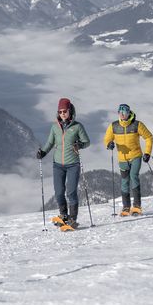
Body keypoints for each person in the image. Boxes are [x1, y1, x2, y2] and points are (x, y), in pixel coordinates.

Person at [36, 97, 91, 229]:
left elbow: (87, 141)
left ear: (70, 111)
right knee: (59, 192)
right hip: (57, 165)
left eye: (65, 111)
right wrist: (43, 152)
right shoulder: (55, 127)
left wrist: (79, 145)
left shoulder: (77, 126)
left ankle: (72, 219)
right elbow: (50, 143)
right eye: (60, 112)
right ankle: (64, 216)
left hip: (73, 164)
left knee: (71, 192)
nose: (62, 114)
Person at [103, 103, 153, 216]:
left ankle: (136, 206)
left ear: (129, 112)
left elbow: (148, 137)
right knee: (124, 182)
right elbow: (107, 139)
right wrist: (109, 144)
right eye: (120, 111)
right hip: (122, 159)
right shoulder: (114, 126)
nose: (122, 114)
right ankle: (126, 207)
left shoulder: (137, 125)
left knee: (134, 177)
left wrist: (147, 153)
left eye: (124, 111)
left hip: (136, 156)